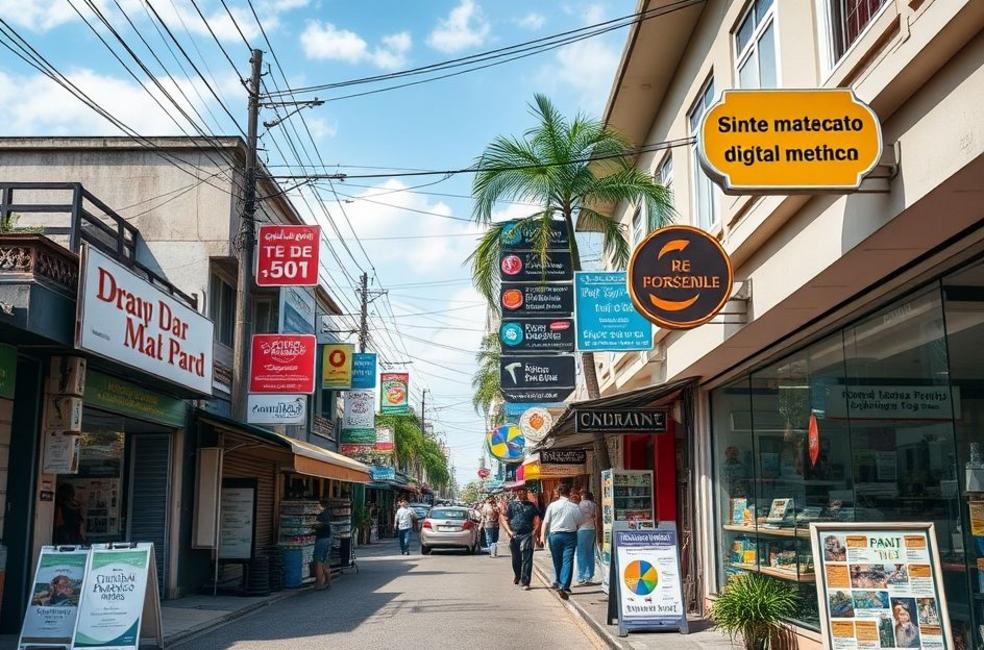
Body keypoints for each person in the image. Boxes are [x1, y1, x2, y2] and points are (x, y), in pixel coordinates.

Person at [539, 483, 581, 600]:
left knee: (557, 560)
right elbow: (580, 521)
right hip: (570, 535)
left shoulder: (552, 506)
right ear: (569, 493)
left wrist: (542, 536)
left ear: (558, 492)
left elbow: (546, 522)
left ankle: (558, 581)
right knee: (568, 560)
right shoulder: (574, 506)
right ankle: (564, 585)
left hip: (555, 535)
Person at [500, 486, 540, 590]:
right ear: (517, 493)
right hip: (515, 535)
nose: (522, 494)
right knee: (516, 559)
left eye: (523, 492)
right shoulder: (512, 505)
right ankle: (517, 575)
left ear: (526, 493)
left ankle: (526, 582)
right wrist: (509, 531)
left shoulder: (531, 506)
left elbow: (536, 519)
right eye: (520, 492)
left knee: (527, 559)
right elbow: (504, 518)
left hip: (527, 534)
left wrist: (534, 531)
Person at [576, 490, 597, 585]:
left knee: (581, 554)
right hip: (591, 529)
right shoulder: (594, 505)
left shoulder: (580, 505)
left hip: (582, 530)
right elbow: (596, 517)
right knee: (590, 553)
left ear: (583, 496)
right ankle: (589, 575)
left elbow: (577, 518)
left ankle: (581, 576)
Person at [312, 500, 332, 590]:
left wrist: (313, 525)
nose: (316, 508)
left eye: (317, 506)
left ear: (321, 506)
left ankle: (319, 584)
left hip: (321, 540)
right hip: (327, 539)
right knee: (324, 562)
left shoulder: (322, 516)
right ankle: (328, 582)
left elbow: (319, 525)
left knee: (318, 562)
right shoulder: (327, 514)